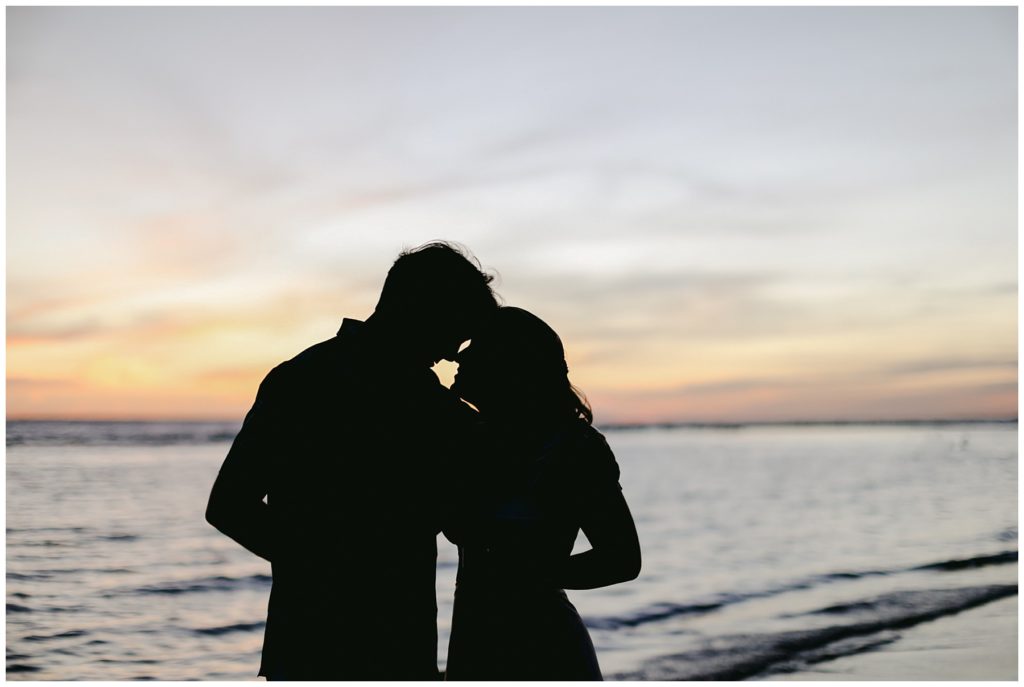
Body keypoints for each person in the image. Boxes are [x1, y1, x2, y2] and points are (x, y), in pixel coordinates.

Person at [205, 241, 498, 681]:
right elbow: (228, 505)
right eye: (457, 327)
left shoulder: (299, 377)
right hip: (369, 645)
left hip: (331, 644)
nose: (456, 350)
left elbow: (229, 505)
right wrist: (327, 569)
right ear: (422, 309)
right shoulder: (431, 409)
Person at [443, 306, 641, 681]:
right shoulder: (473, 439)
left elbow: (622, 559)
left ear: (511, 364)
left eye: (478, 346)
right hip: (475, 640)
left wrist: (526, 575)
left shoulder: (572, 449)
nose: (460, 355)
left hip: (543, 645)